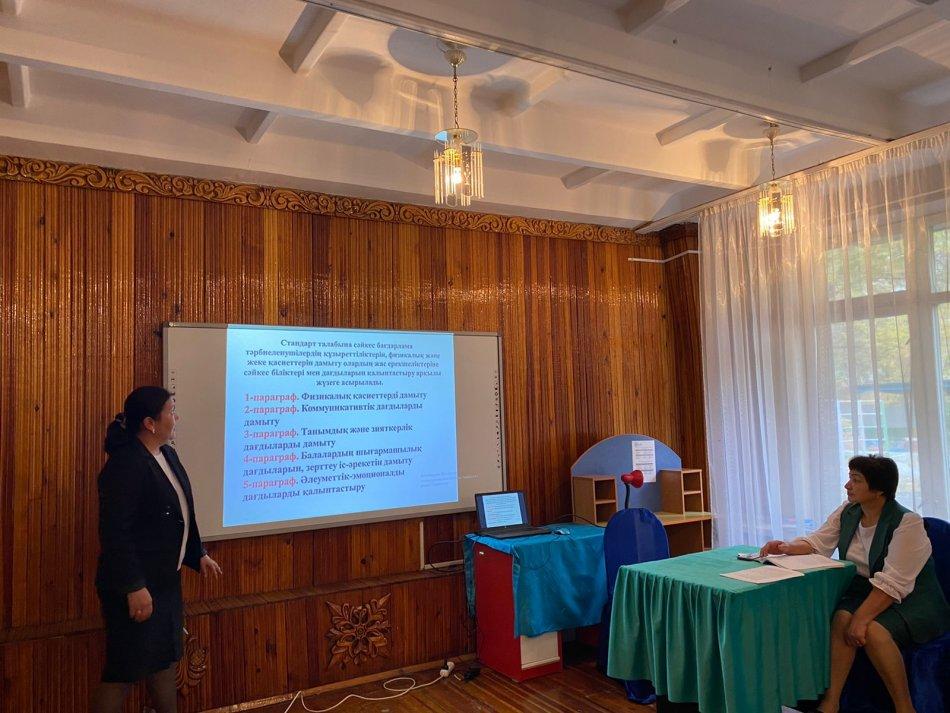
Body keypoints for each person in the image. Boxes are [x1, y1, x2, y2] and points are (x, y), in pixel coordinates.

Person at [759, 455, 950, 713]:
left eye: (856, 480)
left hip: (913, 597)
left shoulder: (908, 522)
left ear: (879, 489)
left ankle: (904, 707)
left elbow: (893, 582)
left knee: (873, 631)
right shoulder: (848, 511)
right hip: (868, 590)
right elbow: (819, 542)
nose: (847, 485)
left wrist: (861, 618)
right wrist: (785, 547)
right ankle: (831, 703)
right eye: (850, 478)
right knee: (841, 619)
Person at [92, 386, 222, 713]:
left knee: (164, 660)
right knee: (124, 669)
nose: (176, 418)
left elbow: (181, 512)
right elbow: (115, 533)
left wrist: (198, 553)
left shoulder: (167, 455)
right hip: (136, 588)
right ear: (150, 423)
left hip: (165, 583)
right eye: (171, 411)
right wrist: (134, 586)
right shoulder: (125, 465)